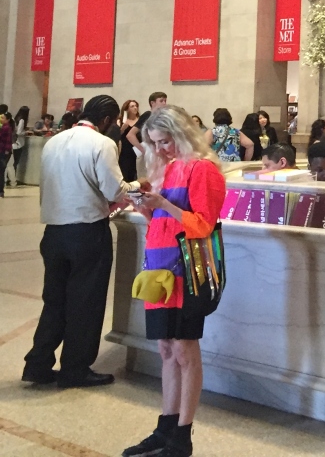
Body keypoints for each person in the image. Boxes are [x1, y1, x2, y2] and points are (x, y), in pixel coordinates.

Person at [126, 107, 226, 457]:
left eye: (165, 141)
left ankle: (183, 434)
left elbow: (203, 225)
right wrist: (146, 208)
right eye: (154, 143)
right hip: (159, 265)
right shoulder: (165, 169)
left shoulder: (203, 169)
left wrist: (164, 204)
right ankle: (165, 427)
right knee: (166, 348)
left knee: (184, 349)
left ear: (182, 135)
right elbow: (162, 222)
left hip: (186, 269)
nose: (160, 149)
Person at [24, 94, 137, 388]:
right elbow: (115, 191)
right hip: (87, 232)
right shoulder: (102, 144)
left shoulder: (54, 141)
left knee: (55, 301)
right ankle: (75, 368)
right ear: (107, 120)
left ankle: (38, 363)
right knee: (85, 303)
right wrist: (138, 186)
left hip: (53, 232)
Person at [121, 93, 167, 183]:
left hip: (156, 151)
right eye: (161, 101)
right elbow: (130, 135)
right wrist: (143, 150)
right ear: (152, 103)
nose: (164, 103)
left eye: (165, 101)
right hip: (147, 151)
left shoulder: (160, 117)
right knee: (145, 180)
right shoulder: (148, 115)